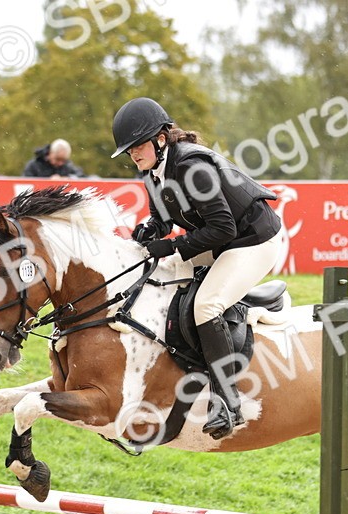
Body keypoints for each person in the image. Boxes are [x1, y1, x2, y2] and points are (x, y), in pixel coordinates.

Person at [111, 97, 282, 440]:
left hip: (252, 241)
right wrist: (152, 230)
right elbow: (163, 218)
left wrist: (172, 246)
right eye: (129, 151)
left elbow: (223, 229)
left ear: (161, 138)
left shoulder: (191, 166)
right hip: (221, 241)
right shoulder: (154, 173)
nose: (134, 155)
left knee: (207, 305)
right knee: (158, 275)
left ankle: (227, 401)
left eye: (138, 146)